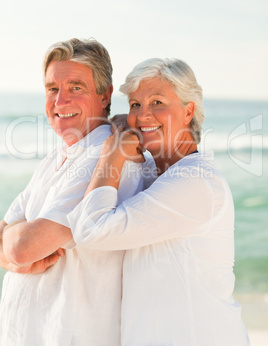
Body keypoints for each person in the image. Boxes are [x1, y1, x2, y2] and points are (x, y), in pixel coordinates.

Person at [68, 58, 250, 346]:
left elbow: (91, 230)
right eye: (135, 105)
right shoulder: (158, 173)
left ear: (188, 111)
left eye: (157, 102)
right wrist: (119, 126)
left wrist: (111, 154)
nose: (143, 116)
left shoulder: (196, 182)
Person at [0, 38, 149, 346]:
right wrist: (13, 252)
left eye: (76, 87)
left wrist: (16, 250)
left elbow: (21, 246)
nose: (60, 101)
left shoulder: (106, 158)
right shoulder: (58, 156)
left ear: (105, 94)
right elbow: (5, 233)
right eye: (52, 88)